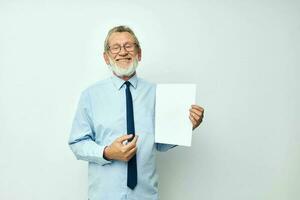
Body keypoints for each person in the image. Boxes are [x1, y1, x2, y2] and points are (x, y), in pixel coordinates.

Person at [68, 25, 204, 200]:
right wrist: (107, 152)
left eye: (129, 46)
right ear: (106, 57)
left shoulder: (158, 94)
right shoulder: (90, 96)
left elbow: (161, 144)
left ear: (139, 54)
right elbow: (77, 143)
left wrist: (186, 126)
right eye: (115, 47)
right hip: (104, 195)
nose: (123, 52)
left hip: (145, 195)